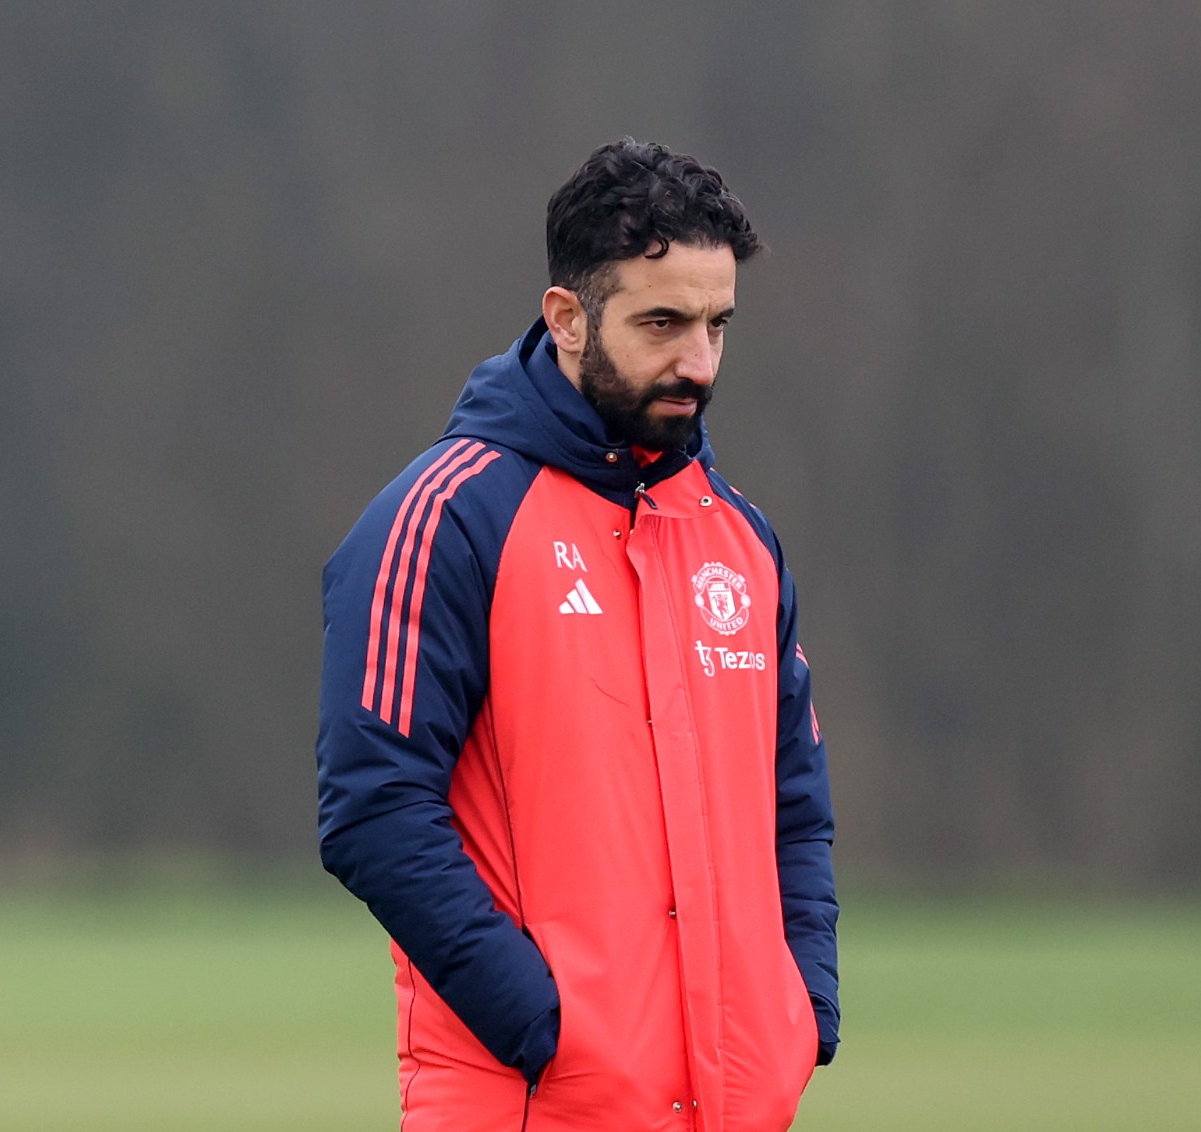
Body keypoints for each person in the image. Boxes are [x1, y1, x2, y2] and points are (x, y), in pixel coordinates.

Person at [317, 139, 836, 1132]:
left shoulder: (740, 539)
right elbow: (374, 813)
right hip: (531, 1104)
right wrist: (548, 1028)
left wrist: (799, 1014)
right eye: (662, 324)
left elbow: (795, 813)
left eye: (718, 326)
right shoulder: (444, 520)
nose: (699, 362)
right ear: (566, 318)